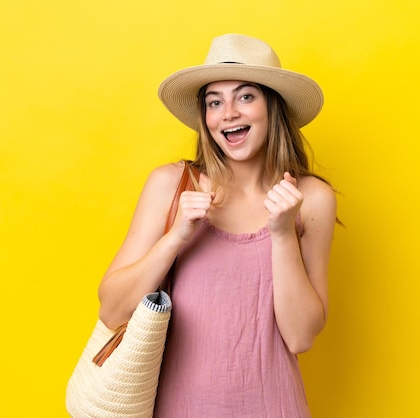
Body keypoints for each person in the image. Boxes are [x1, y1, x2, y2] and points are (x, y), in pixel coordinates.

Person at [97, 33, 337, 417]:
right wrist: (175, 238)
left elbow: (300, 336)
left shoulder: (311, 199)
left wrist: (281, 234)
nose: (228, 113)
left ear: (272, 107)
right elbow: (112, 310)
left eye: (245, 96)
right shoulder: (171, 185)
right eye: (214, 102)